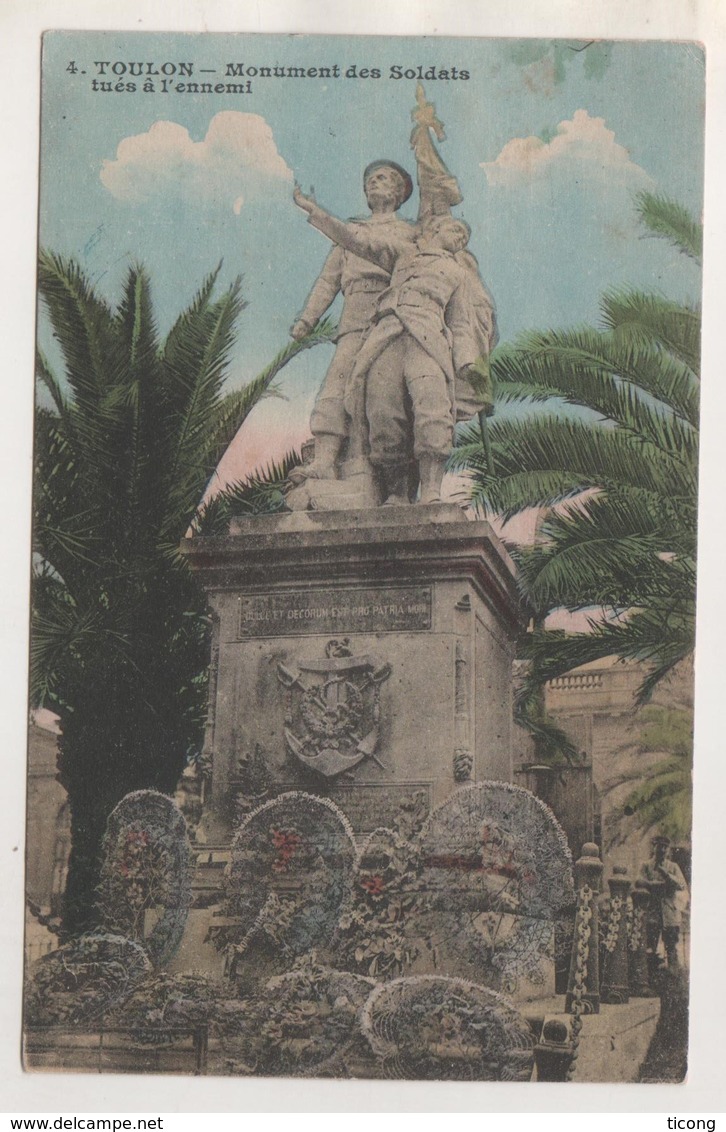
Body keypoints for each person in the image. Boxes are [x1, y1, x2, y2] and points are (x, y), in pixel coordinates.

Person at [293, 185, 495, 504]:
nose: (460, 239)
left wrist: (469, 366)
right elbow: (358, 241)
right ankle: (398, 493)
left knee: (432, 408)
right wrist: (315, 212)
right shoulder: (403, 253)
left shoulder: (459, 273)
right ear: (435, 230)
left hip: (427, 342)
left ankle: (430, 491)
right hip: (384, 338)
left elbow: (461, 324)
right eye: (456, 231)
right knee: (382, 414)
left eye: (464, 238)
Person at [288, 160, 416, 484]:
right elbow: (328, 281)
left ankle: (373, 470)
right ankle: (325, 460)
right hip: (354, 314)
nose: (374, 182)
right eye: (370, 179)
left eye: (383, 178)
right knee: (337, 381)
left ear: (399, 192)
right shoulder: (350, 232)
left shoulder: (410, 232)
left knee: (378, 392)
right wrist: (307, 318)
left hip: (390, 316)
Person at [639, 835, 688, 975]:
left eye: (665, 847)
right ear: (654, 847)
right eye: (659, 846)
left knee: (671, 947)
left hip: (669, 912)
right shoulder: (646, 866)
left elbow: (681, 885)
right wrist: (651, 884)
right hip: (652, 911)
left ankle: (674, 980)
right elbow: (638, 882)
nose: (662, 850)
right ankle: (651, 979)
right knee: (650, 947)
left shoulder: (672, 867)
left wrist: (666, 875)